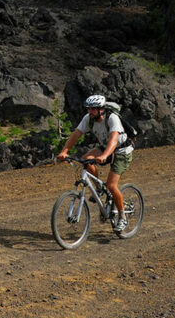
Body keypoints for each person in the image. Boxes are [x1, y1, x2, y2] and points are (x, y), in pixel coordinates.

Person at [56, 94, 134, 232]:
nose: (90, 111)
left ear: (101, 109)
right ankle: (99, 188)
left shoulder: (112, 118)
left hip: (122, 150)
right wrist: (64, 151)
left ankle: (122, 217)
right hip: (105, 148)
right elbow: (76, 134)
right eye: (89, 109)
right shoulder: (88, 119)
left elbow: (114, 140)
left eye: (93, 109)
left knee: (111, 185)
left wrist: (104, 155)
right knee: (86, 160)